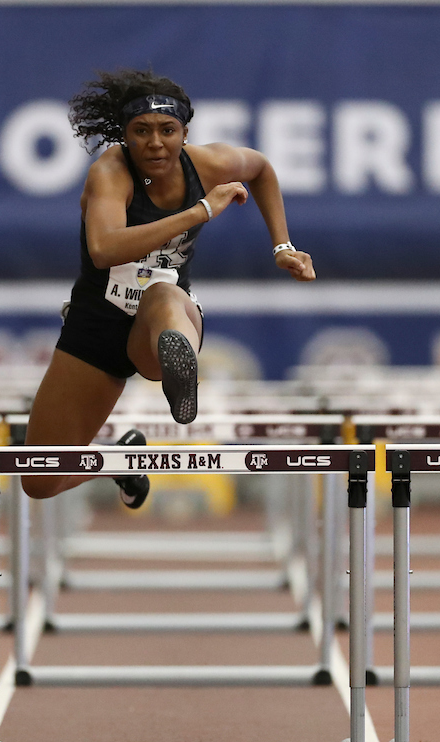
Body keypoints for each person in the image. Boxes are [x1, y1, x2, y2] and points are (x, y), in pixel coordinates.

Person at [22, 68, 314, 505]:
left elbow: (262, 169)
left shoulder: (209, 163)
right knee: (39, 480)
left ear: (185, 132)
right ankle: (122, 460)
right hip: (97, 324)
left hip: (164, 316)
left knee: (161, 293)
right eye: (141, 131)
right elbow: (104, 249)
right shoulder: (110, 172)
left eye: (167, 130)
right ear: (124, 135)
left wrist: (282, 245)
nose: (155, 143)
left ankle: (177, 362)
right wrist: (199, 212)